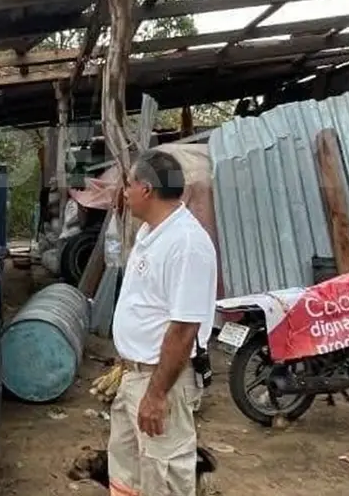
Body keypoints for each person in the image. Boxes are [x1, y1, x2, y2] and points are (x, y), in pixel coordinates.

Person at [107, 149, 218, 496]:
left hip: (160, 380)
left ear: (146, 189)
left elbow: (184, 329)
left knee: (163, 474)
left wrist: (156, 394)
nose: (123, 192)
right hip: (133, 374)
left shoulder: (185, 243)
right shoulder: (152, 233)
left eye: (128, 184)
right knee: (127, 473)